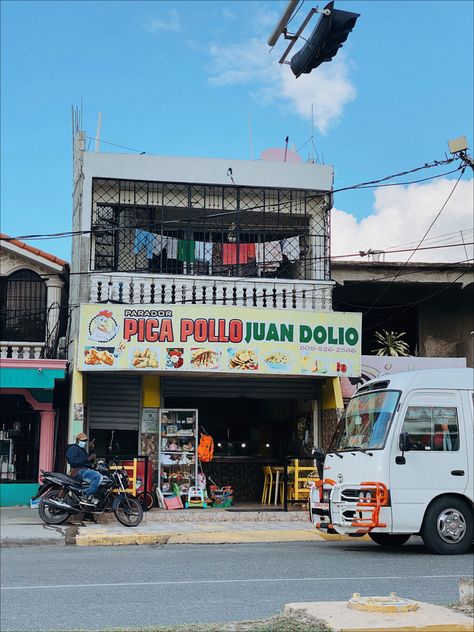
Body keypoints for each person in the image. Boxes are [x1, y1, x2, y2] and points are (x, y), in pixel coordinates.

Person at [65, 433, 102, 507]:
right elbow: (73, 461)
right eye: (83, 440)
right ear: (78, 440)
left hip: (83, 470)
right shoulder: (73, 448)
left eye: (85, 441)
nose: (84, 442)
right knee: (98, 476)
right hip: (78, 471)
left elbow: (87, 462)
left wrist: (92, 450)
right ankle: (87, 496)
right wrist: (89, 458)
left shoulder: (81, 450)